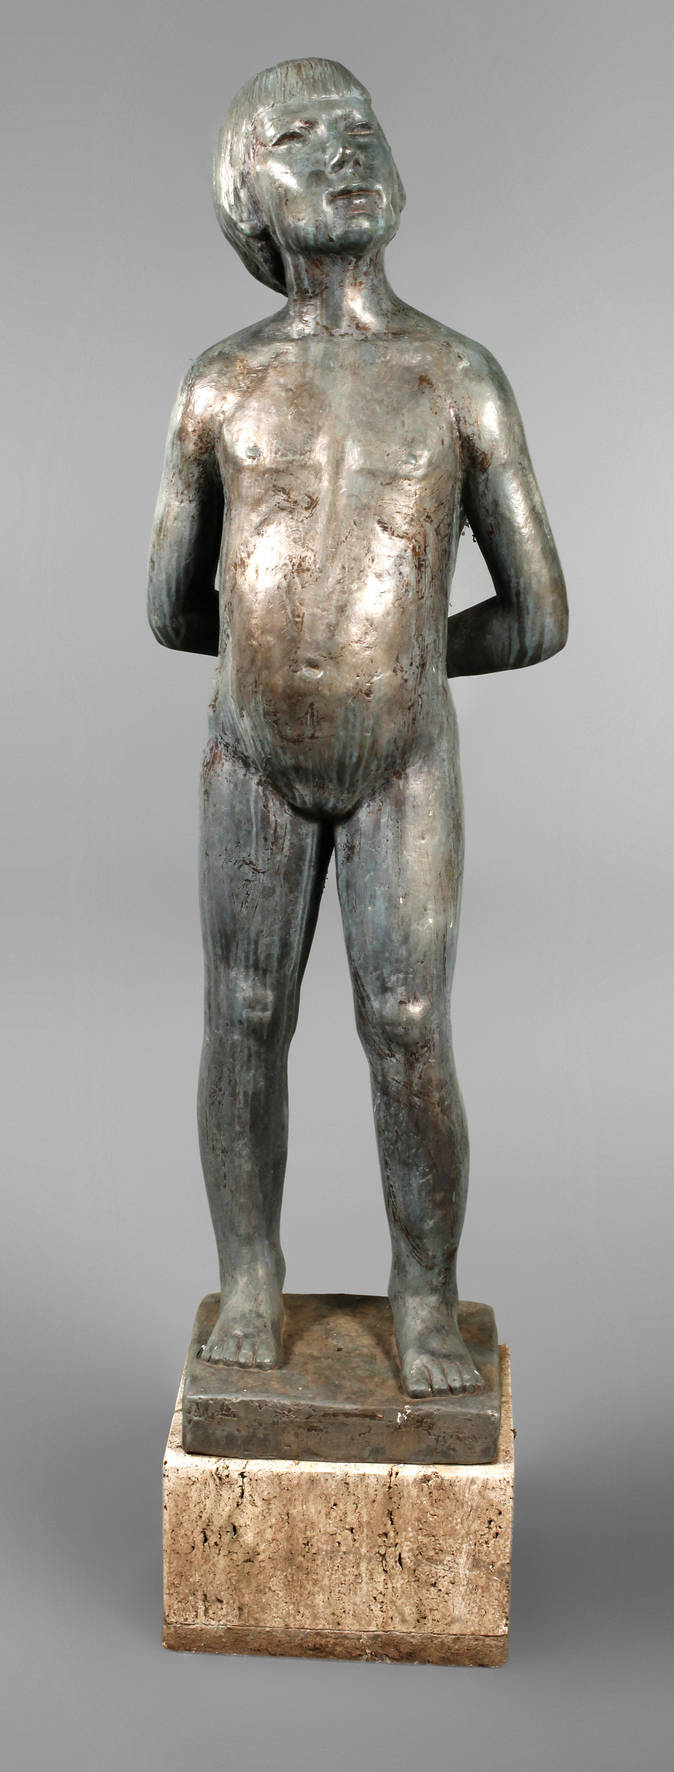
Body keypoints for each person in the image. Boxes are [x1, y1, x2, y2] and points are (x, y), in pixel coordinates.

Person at [148, 59, 568, 1396]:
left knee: (406, 1026)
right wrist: (288, 673)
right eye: (300, 134)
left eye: (358, 125)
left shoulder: (455, 378)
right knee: (241, 1017)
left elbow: (539, 612)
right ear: (248, 200)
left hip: (403, 764)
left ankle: (425, 1299)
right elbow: (170, 607)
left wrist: (390, 671)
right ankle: (251, 1280)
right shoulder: (219, 387)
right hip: (250, 765)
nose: (343, 147)